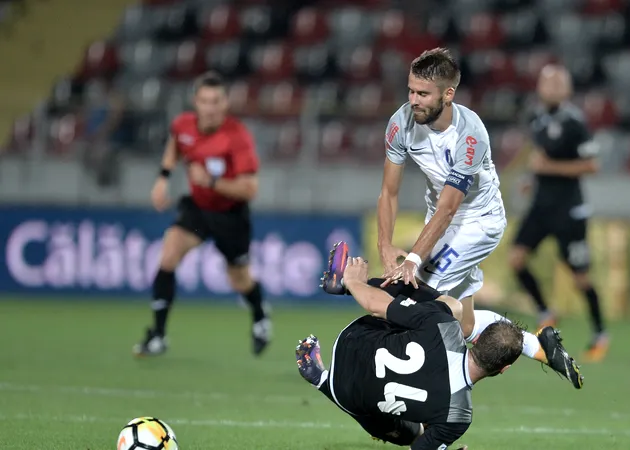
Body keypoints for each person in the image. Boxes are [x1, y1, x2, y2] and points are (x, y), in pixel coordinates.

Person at [375, 48, 581, 379]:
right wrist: (384, 245)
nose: (414, 100)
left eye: (424, 94)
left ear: (448, 94)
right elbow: (389, 192)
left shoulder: (469, 135)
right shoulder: (400, 124)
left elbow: (449, 207)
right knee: (466, 323)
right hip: (439, 220)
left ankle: (418, 394)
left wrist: (413, 260)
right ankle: (538, 345)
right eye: (411, 91)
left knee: (417, 301)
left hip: (476, 223)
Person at [301, 254, 581, 449]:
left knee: (447, 307)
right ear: (503, 369)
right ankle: (321, 380)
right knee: (415, 434)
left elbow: (376, 306)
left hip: (354, 341)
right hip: (347, 394)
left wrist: (354, 282)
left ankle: (534, 346)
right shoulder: (460, 416)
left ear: (476, 340)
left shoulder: (444, 327)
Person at [133, 71, 270, 357]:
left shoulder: (237, 137)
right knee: (169, 254)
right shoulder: (183, 125)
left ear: (225, 103)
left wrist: (211, 182)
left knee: (239, 279)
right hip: (197, 209)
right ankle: (157, 335)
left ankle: (259, 317)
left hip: (230, 216)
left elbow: (250, 190)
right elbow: (175, 145)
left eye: (216, 101)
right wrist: (163, 177)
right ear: (195, 102)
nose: (210, 107)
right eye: (205, 101)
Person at [510, 64, 608, 362]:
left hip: (569, 211)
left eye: (556, 84)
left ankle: (600, 334)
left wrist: (548, 169)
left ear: (567, 90)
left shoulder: (575, 122)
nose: (550, 89)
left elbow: (592, 165)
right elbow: (539, 159)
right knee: (516, 259)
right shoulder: (537, 118)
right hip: (541, 206)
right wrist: (532, 179)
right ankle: (545, 311)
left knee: (580, 277)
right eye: (545, 83)